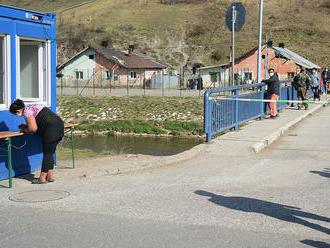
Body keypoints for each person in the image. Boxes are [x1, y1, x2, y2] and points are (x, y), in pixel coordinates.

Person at [9, 99, 64, 184]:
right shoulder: (32, 106)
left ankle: (42, 178)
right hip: (59, 125)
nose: (16, 115)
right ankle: (50, 176)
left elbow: (33, 129)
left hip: (51, 129)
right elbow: (39, 120)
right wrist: (26, 126)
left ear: (18, 110)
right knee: (50, 152)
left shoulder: (26, 111)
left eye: (15, 113)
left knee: (47, 154)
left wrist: (25, 130)